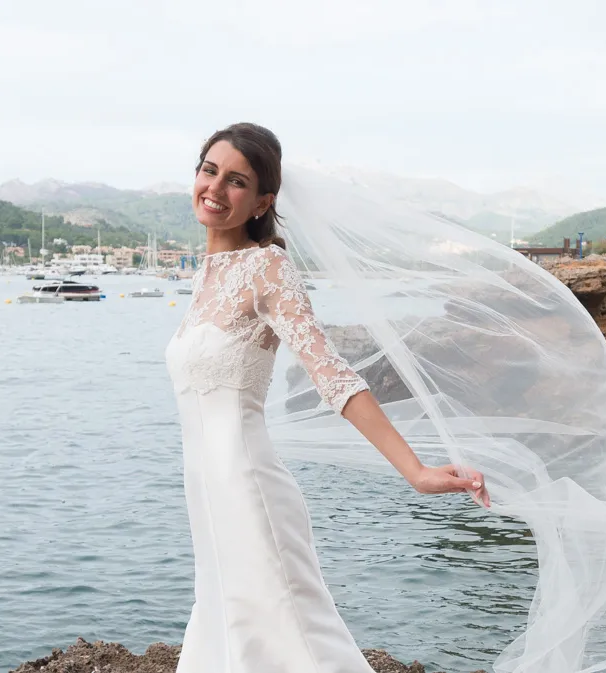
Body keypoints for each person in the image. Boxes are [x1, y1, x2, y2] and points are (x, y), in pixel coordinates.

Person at [164, 123, 490, 673]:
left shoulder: (267, 267)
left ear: (263, 200)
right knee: (230, 633)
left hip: (248, 489)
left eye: (236, 180)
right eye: (209, 170)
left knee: (294, 638)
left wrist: (415, 471)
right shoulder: (207, 275)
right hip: (207, 493)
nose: (216, 188)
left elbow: (332, 374)